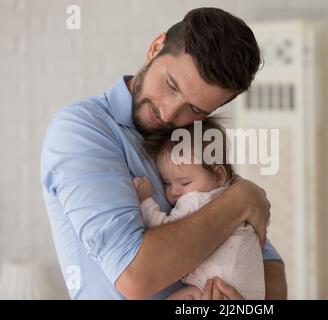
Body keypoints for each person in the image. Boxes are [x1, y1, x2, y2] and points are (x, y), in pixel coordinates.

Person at [41, 7, 287, 299]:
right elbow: (135, 275)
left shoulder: (192, 140)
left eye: (195, 109)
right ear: (155, 47)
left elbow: (266, 261)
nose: (170, 112)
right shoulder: (84, 130)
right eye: (171, 85)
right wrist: (241, 199)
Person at [133, 117, 265, 300]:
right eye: (166, 183)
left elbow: (166, 232)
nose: (174, 191)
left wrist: (146, 201)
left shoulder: (196, 200)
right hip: (249, 290)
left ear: (219, 174)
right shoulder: (231, 192)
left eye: (184, 182)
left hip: (217, 286)